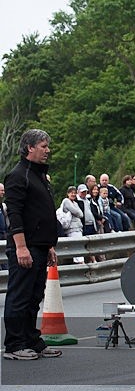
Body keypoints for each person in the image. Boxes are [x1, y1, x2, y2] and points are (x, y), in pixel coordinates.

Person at [3, 129, 62, 360]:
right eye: (43, 146)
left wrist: (48, 245)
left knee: (34, 296)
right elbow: (14, 214)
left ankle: (31, 339)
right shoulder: (18, 175)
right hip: (24, 247)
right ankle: (14, 344)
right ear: (30, 148)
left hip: (39, 245)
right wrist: (21, 247)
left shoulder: (39, 176)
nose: (48, 150)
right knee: (20, 295)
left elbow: (41, 213)